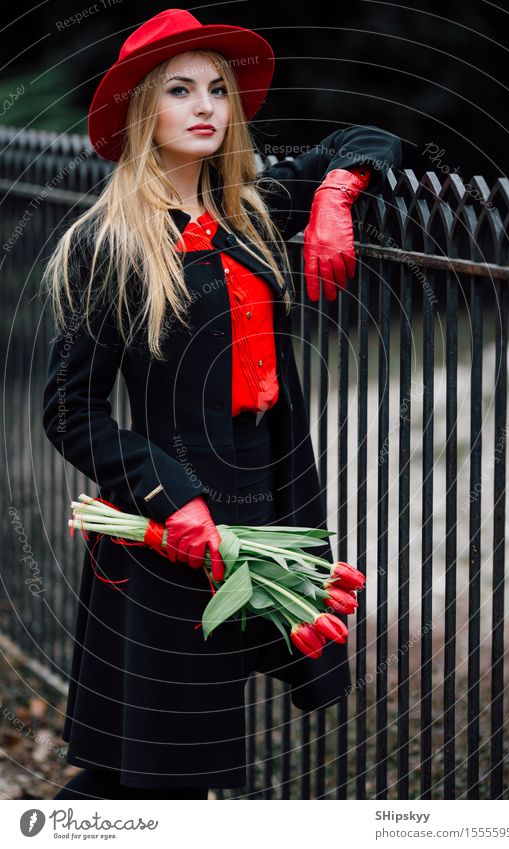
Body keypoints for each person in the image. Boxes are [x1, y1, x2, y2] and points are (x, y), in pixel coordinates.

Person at [41, 8, 402, 800]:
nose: (206, 105)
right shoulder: (114, 247)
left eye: (217, 89)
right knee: (153, 771)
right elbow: (68, 410)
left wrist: (337, 194)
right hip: (170, 533)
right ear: (145, 113)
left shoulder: (253, 213)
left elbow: (368, 136)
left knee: (175, 757)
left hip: (261, 517)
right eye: (179, 90)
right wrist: (172, 494)